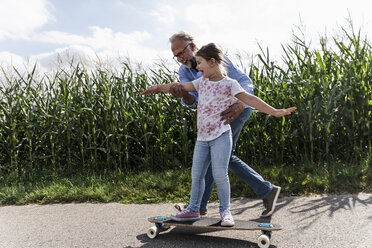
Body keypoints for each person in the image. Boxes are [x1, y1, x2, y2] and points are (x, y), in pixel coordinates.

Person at [140, 42, 296, 226]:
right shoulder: (201, 82)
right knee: (196, 174)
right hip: (203, 138)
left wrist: (275, 112)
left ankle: (225, 212)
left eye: (199, 63)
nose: (197, 68)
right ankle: (193, 209)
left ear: (212, 62)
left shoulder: (230, 84)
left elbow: (250, 99)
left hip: (221, 135)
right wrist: (157, 88)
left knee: (220, 174)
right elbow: (179, 88)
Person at [168, 31, 283, 218]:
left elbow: (244, 81)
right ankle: (264, 191)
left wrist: (241, 103)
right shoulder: (184, 72)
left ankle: (199, 206)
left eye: (182, 52)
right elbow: (193, 100)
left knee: (220, 155)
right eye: (176, 56)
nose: (180, 58)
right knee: (220, 156)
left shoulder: (212, 58)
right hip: (216, 115)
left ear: (193, 46)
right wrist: (184, 95)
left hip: (236, 108)